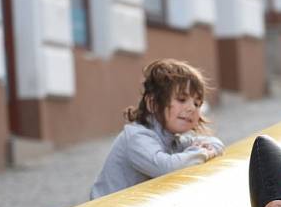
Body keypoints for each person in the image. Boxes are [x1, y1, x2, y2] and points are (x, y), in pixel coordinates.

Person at [90, 59, 224, 199]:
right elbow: (166, 167)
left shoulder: (172, 138)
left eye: (197, 104)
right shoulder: (137, 138)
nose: (191, 108)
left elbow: (215, 143)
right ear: (153, 103)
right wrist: (201, 152)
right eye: (181, 99)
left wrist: (207, 148)